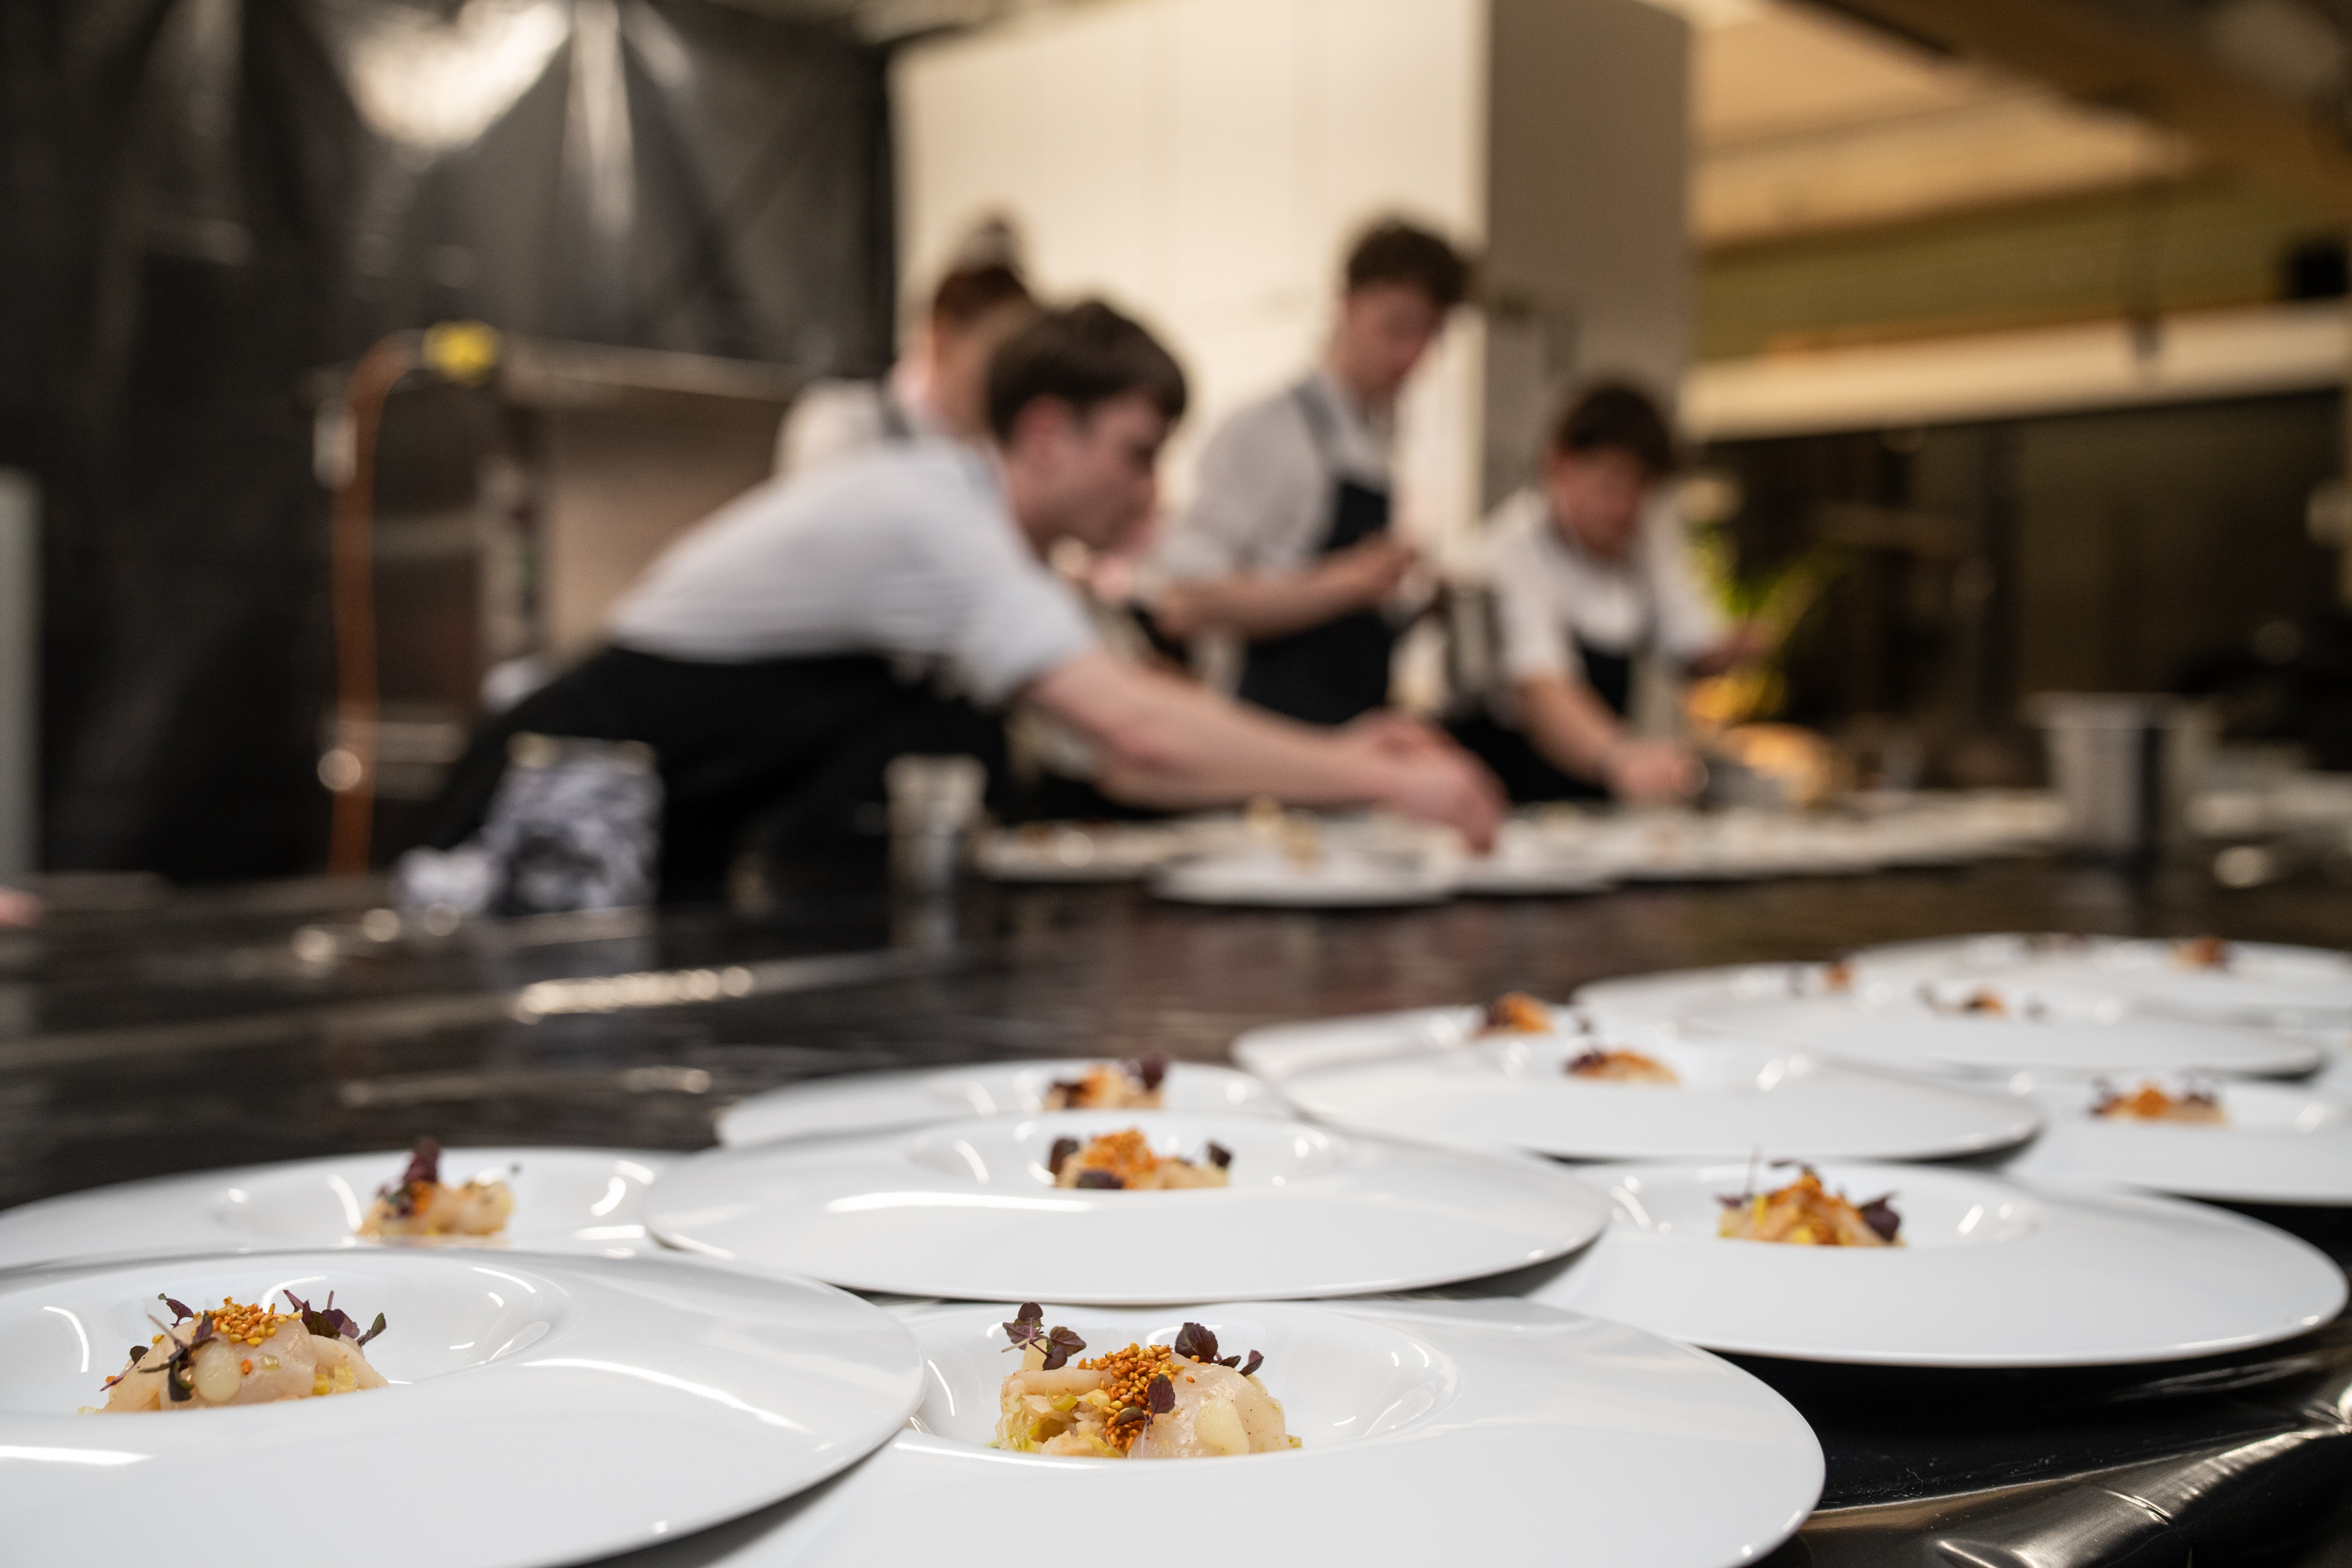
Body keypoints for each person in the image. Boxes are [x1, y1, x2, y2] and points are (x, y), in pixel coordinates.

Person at [417, 302, 1502, 898]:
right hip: (550, 806)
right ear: (1046, 433)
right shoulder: (936, 521)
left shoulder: (1005, 555)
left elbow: (1127, 748)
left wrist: (1340, 753)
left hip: (666, 835)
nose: (1147, 490)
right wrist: (1377, 782)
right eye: (1134, 453)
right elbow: (1134, 730)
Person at [1148, 219, 1471, 726]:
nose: (1410, 356)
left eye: (1430, 336)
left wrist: (1407, 607)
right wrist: (1348, 581)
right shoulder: (1268, 429)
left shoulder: (1376, 439)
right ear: (1347, 305)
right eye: (1396, 328)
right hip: (1264, 727)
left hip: (1350, 726)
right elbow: (1184, 602)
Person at [1452, 380, 1769, 805]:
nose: (1624, 509)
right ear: (1559, 464)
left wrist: (1731, 650)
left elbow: (1690, 643)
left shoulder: (1645, 545)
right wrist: (1625, 758)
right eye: (1610, 486)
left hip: (1590, 798)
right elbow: (1539, 688)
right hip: (1503, 797)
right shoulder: (1508, 553)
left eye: (1641, 491)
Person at [774, 260, 1037, 478]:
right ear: (943, 339)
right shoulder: (841, 428)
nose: (1012, 380)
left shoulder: (1003, 457)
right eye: (998, 358)